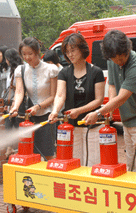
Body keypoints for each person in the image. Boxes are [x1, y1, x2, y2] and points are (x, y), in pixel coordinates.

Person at [83, 30, 136, 172]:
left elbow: (122, 97)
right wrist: (110, 108)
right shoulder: (112, 60)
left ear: (128, 49)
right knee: (131, 164)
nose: (119, 61)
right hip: (127, 121)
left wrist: (98, 112)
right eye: (115, 59)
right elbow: (112, 85)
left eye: (122, 57)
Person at [48, 33, 105, 167]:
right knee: (75, 162)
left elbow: (99, 100)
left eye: (73, 50)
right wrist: (55, 111)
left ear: (82, 49)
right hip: (72, 126)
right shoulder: (64, 72)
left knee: (93, 162)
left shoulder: (96, 72)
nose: (70, 55)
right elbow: (60, 95)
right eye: (67, 52)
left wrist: (79, 110)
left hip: (93, 125)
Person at [10, 37, 59, 161]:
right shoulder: (20, 70)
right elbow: (19, 91)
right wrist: (15, 107)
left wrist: (38, 107)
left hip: (48, 116)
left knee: (48, 154)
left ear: (38, 52)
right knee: (30, 152)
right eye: (24, 54)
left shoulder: (51, 69)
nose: (27, 57)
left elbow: (53, 96)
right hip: (30, 117)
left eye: (30, 53)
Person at [3, 48, 23, 129]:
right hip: (12, 104)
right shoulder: (11, 70)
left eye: (6, 59)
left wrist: (13, 104)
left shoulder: (18, 70)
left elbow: (17, 90)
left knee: (15, 127)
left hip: (17, 104)